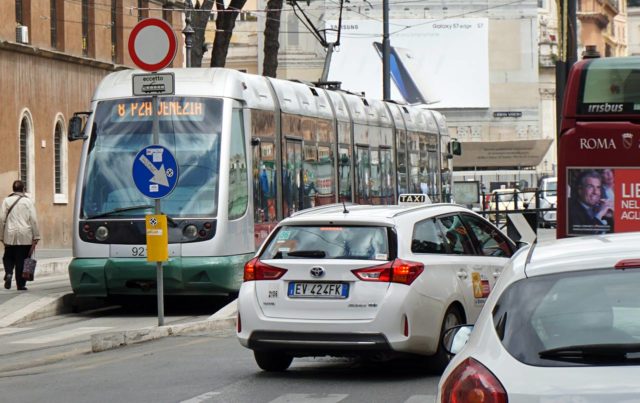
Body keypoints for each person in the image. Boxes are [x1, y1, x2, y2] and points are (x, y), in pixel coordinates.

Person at [1, 180, 40, 290]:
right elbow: (33, 219)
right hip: (25, 235)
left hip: (10, 234)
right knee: (21, 260)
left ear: (13, 189)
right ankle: (20, 285)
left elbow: (1, 219)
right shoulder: (28, 202)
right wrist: (36, 236)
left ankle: (9, 273)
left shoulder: (6, 201)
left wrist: (1, 235)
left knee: (8, 257)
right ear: (23, 189)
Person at [568, 170, 614, 235]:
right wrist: (600, 214)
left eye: (598, 187)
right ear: (580, 190)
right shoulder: (571, 210)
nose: (596, 192)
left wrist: (610, 216)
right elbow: (585, 237)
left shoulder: (597, 208)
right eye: (590, 187)